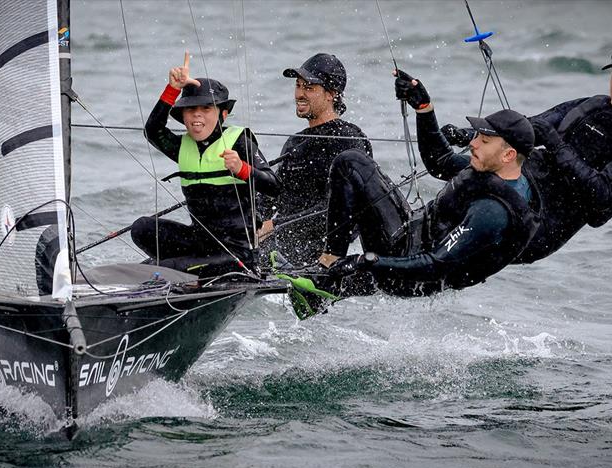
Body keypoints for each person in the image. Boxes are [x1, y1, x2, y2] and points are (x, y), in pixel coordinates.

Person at [317, 70, 540, 297]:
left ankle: (326, 275)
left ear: (508, 155)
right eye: (476, 136)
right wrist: (424, 108)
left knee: (351, 163)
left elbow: (436, 264)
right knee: (356, 169)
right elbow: (440, 161)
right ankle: (335, 280)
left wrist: (365, 261)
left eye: (484, 140)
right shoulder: (492, 168)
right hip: (409, 235)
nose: (473, 144)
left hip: (409, 270)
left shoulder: (492, 212)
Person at [443, 43, 612, 263]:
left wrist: (556, 144)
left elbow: (604, 194)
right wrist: (467, 134)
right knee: (448, 164)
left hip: (543, 223)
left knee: (473, 209)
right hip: (522, 180)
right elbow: (526, 129)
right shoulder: (592, 105)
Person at [131, 52, 281, 276]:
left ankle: (179, 267)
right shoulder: (182, 147)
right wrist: (172, 89)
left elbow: (274, 186)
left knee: (158, 269)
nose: (197, 116)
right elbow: (153, 131)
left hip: (237, 253)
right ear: (183, 115)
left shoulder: (239, 141)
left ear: (223, 114)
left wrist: (242, 169)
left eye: (206, 109)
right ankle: (185, 264)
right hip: (201, 243)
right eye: (191, 109)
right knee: (141, 228)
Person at [258, 53, 373, 266]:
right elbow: (271, 194)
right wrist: (255, 220)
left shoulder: (348, 139)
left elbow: (345, 208)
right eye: (298, 86)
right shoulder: (295, 142)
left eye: (309, 88)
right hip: (277, 250)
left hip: (318, 258)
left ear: (332, 94)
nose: (300, 94)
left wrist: (275, 225)